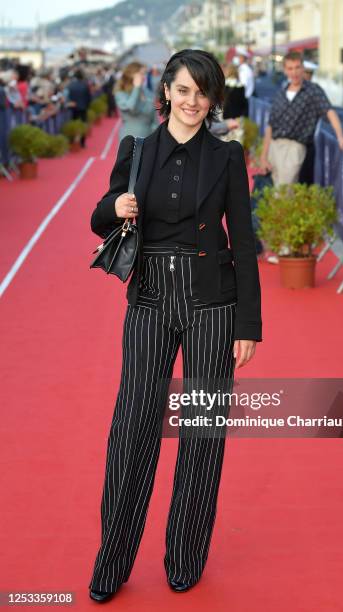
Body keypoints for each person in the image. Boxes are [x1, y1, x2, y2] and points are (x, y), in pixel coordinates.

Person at [88, 48, 262, 602]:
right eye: (183, 90)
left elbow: (245, 242)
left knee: (201, 435)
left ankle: (185, 555)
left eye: (202, 93)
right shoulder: (137, 150)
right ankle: (112, 562)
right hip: (150, 300)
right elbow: (100, 215)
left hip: (214, 304)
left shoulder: (228, 156)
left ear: (213, 100)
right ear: (165, 91)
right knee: (132, 428)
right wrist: (116, 206)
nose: (192, 102)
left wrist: (249, 325)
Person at [259, 51, 343, 186]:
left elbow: (329, 111)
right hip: (275, 147)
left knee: (284, 194)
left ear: (302, 68)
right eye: (290, 68)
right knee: (274, 194)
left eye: (297, 67)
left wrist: (340, 136)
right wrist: (263, 156)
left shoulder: (313, 91)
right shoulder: (281, 93)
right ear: (285, 70)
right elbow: (270, 126)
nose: (294, 72)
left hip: (295, 148)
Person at [114, 61, 159, 143]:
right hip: (129, 141)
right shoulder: (121, 94)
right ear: (131, 75)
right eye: (141, 74)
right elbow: (131, 108)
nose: (144, 77)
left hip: (148, 140)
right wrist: (136, 88)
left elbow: (155, 119)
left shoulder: (147, 92)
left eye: (144, 74)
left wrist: (157, 136)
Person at [67, 69, 92, 148]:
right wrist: (87, 105)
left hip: (73, 108)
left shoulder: (71, 85)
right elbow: (89, 97)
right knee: (83, 124)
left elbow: (68, 97)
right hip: (83, 108)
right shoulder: (85, 85)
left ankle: (72, 141)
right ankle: (82, 142)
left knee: (74, 123)